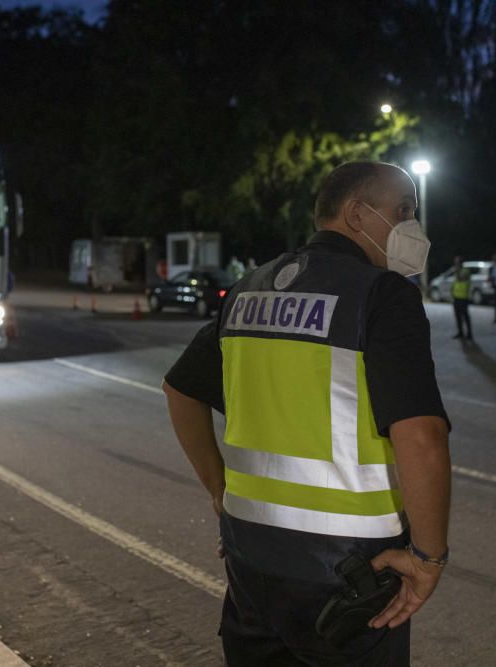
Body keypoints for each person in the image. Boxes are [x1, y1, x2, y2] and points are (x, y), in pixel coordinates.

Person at [163, 161, 451, 665]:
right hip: (350, 574)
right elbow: (421, 436)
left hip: (251, 560)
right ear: (358, 215)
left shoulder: (249, 290)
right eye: (403, 210)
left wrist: (219, 489)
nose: (413, 225)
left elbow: (179, 390)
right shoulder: (382, 296)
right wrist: (428, 558)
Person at [450, 256, 473, 340]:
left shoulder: (465, 271)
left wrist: (457, 270)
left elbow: (461, 278)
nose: (455, 264)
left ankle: (469, 334)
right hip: (456, 297)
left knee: (465, 316)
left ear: (461, 263)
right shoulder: (457, 272)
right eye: (455, 262)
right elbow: (455, 283)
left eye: (457, 262)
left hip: (463, 297)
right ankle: (460, 332)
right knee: (457, 316)